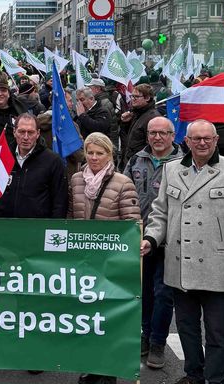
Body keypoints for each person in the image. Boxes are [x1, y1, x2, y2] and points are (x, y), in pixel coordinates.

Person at [141, 119, 224, 384]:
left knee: (217, 332)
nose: (202, 143)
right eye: (196, 138)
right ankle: (193, 375)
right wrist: (151, 238)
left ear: (216, 140)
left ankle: (215, 380)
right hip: (180, 265)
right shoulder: (172, 170)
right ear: (186, 142)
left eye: (207, 138)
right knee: (186, 327)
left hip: (216, 266)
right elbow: (160, 212)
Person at [69, 132, 140, 384]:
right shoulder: (77, 180)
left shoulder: (122, 183)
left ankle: (108, 371)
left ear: (109, 154)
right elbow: (71, 217)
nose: (95, 157)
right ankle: (90, 365)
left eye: (100, 153)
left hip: (111, 264)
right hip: (83, 261)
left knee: (109, 318)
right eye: (90, 152)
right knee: (87, 318)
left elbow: (133, 224)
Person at [123, 117, 184, 369]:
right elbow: (124, 190)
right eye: (152, 133)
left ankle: (158, 342)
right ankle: (145, 336)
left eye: (162, 133)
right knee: (144, 292)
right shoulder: (136, 160)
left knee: (163, 293)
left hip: (171, 240)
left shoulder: (184, 163)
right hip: (141, 237)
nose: (157, 137)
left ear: (172, 135)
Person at [0, 113, 67, 218]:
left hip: (37, 228)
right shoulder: (2, 157)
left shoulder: (53, 161)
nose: (25, 137)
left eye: (30, 132)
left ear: (38, 134)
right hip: (4, 226)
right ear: (14, 132)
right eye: (21, 132)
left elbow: (59, 202)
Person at [119, 84, 160, 168]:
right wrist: (126, 123)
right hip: (130, 163)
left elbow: (153, 147)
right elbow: (130, 138)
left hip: (140, 166)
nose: (132, 99)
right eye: (132, 96)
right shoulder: (137, 113)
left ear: (147, 98)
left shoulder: (153, 118)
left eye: (136, 97)